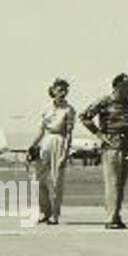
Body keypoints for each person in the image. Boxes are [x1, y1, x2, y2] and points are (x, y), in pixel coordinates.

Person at [81, 74, 128, 229]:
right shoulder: (104, 101)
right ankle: (110, 217)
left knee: (121, 184)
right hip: (111, 145)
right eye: (126, 87)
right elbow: (85, 117)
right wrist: (99, 134)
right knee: (112, 183)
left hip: (126, 146)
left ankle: (116, 215)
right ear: (117, 86)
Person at [26, 78, 74, 225]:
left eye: (65, 90)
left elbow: (69, 133)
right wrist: (32, 146)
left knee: (56, 180)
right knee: (37, 179)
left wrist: (65, 153)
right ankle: (44, 211)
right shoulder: (46, 108)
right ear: (53, 91)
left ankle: (54, 214)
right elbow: (40, 130)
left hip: (59, 141)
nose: (62, 92)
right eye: (59, 89)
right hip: (45, 141)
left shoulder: (69, 110)